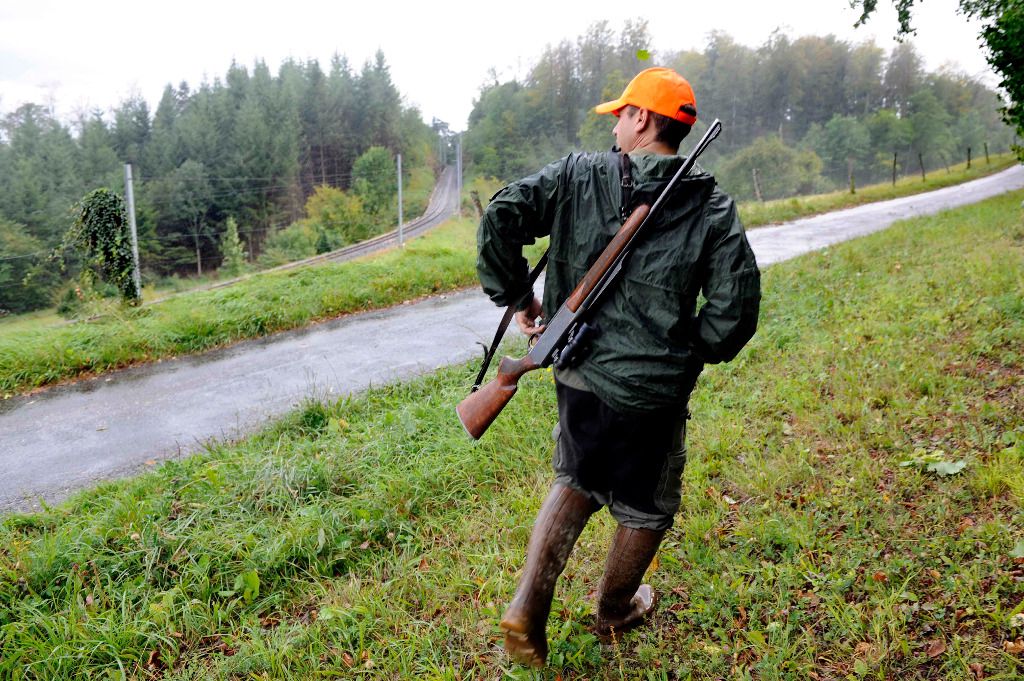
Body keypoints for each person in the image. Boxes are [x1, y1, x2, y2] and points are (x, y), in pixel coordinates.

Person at [475, 66, 761, 667]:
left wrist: (521, 298)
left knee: (576, 477)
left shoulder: (576, 174)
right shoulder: (710, 204)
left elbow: (500, 217)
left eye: (621, 115)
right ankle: (614, 609)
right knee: (647, 505)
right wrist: (689, 351)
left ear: (642, 119)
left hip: (577, 374)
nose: (614, 128)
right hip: (653, 393)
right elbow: (735, 310)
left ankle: (527, 605)